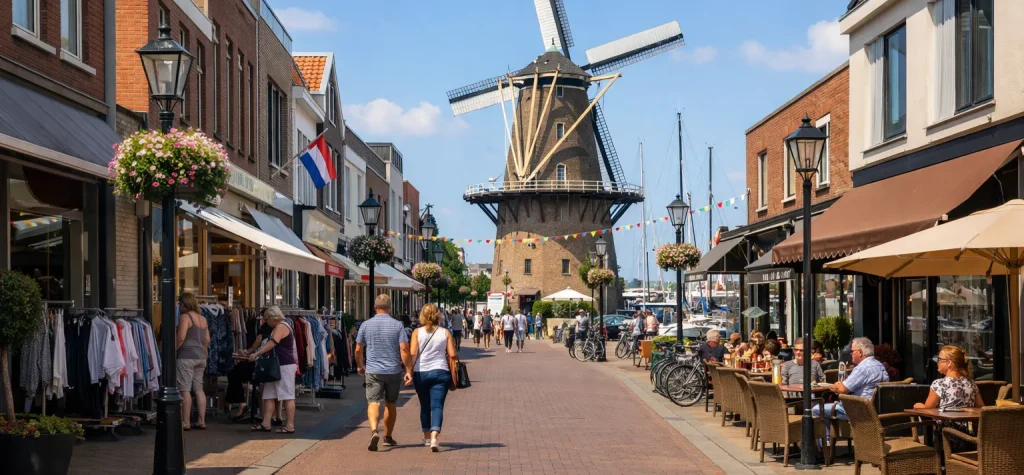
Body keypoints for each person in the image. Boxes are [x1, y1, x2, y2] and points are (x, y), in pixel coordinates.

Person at [355, 295, 412, 451]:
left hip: (373, 370)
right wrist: (408, 370)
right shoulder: (397, 325)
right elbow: (404, 349)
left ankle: (374, 430)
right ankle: (388, 436)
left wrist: (360, 366)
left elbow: (358, 349)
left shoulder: (365, 325)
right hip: (393, 370)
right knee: (390, 403)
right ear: (390, 308)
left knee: (373, 402)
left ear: (375, 307)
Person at [813, 337, 889, 444]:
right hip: (875, 408)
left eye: (852, 351)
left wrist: (834, 386)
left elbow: (842, 389)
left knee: (817, 409)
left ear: (861, 353)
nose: (851, 354)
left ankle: (824, 447)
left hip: (858, 409)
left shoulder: (862, 368)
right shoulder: (879, 365)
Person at [406, 304, 458, 452]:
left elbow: (413, 354)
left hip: (421, 372)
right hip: (441, 372)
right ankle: (435, 437)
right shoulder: (445, 332)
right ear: (438, 315)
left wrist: (409, 371)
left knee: (425, 406)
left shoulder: (417, 332)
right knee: (437, 406)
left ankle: (427, 438)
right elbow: (453, 354)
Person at [913, 345, 983, 449]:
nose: (937, 362)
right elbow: (981, 408)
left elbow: (928, 409)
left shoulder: (939, 384)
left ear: (949, 363)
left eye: (940, 359)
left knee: (918, 408)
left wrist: (917, 406)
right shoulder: (971, 384)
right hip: (968, 437)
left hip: (946, 438)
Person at [248, 306, 299, 434]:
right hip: (279, 365)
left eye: (266, 320)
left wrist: (257, 353)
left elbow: (272, 343)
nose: (266, 322)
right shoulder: (282, 326)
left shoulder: (281, 326)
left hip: (284, 365)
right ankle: (266, 423)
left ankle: (290, 425)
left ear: (271, 318)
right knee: (269, 394)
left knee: (288, 395)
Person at [176, 293, 211, 431]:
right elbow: (207, 339)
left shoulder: (185, 317)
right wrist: (204, 352)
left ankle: (186, 422)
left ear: (185, 304)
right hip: (201, 357)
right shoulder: (203, 319)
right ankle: (201, 421)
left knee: (185, 389)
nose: (179, 306)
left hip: (186, 356)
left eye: (180, 304)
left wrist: (172, 351)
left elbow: (180, 337)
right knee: (199, 389)